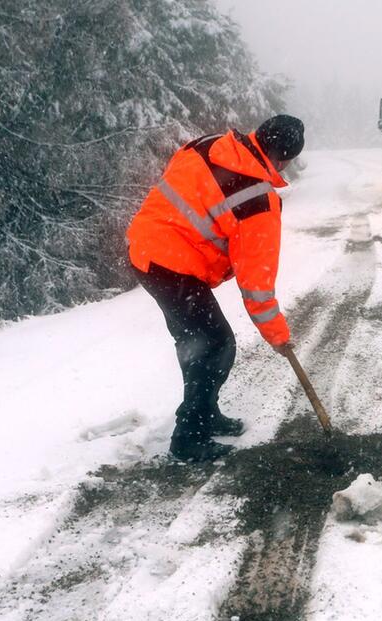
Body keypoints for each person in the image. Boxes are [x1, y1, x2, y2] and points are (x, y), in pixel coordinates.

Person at [127, 115, 305, 462]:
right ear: (283, 159)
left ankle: (205, 415)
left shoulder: (209, 144)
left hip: (144, 246)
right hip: (172, 265)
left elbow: (184, 186)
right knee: (214, 344)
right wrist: (278, 335)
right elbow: (257, 287)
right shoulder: (257, 200)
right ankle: (189, 438)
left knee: (201, 341)